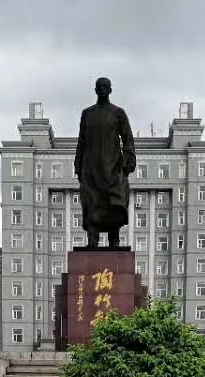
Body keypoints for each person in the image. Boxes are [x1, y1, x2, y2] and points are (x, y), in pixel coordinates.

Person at [74, 78, 137, 250]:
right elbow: (81, 141)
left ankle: (114, 240)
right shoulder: (87, 113)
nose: (102, 89)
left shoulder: (118, 113)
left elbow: (128, 139)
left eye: (105, 86)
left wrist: (128, 161)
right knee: (91, 202)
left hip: (113, 166)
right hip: (91, 166)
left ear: (110, 90)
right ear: (95, 90)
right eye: (99, 87)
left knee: (113, 202)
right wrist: (78, 165)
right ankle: (92, 240)